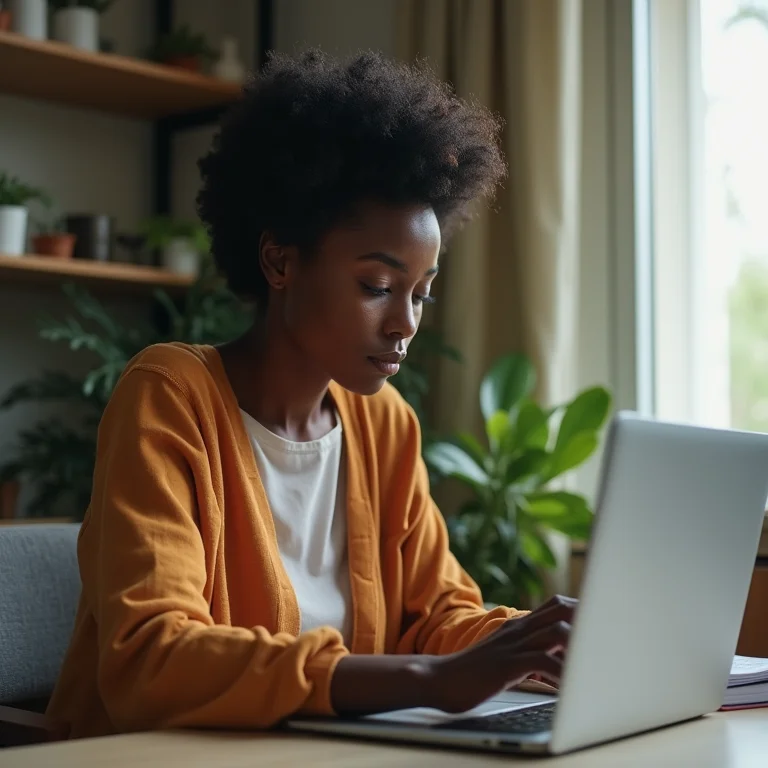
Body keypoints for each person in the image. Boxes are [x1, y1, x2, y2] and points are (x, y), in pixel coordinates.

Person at [47, 49, 574, 739]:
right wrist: (427, 682)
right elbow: (152, 655)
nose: (405, 322)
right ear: (279, 261)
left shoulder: (385, 425)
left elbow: (437, 614)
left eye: (421, 293)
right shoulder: (170, 396)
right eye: (377, 287)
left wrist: (539, 639)